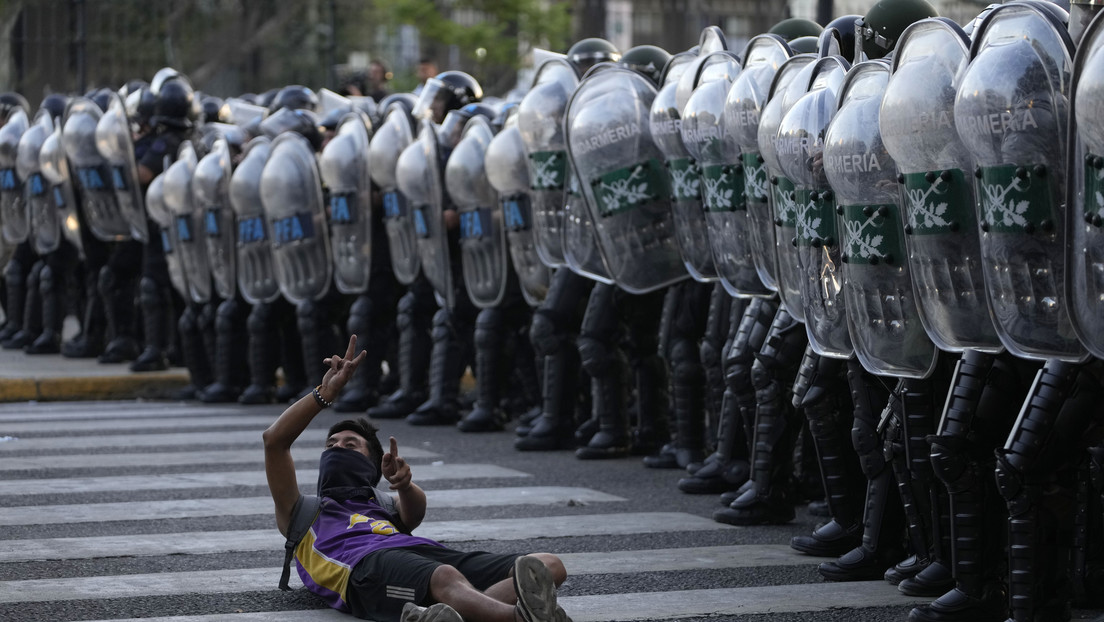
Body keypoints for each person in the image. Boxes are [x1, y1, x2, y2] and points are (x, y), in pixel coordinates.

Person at [262, 335, 570, 622]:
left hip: (424, 556)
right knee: (445, 578)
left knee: (546, 565)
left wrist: (405, 485)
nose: (337, 448)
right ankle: (517, 618)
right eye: (331, 445)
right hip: (363, 570)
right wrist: (324, 394)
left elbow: (414, 512)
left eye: (350, 444)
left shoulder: (382, 504)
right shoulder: (301, 512)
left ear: (371, 466)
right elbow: (274, 441)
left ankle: (449, 613)